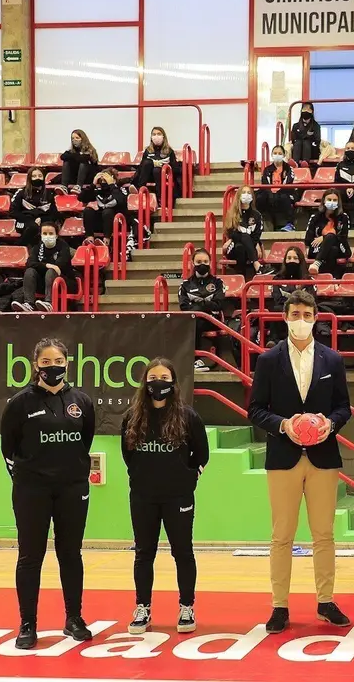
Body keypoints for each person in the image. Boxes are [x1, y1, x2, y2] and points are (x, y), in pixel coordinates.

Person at [247, 290, 353, 634]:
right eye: (295, 314)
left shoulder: (332, 360)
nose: (301, 320)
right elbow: (255, 410)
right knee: (282, 536)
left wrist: (329, 424)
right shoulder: (268, 360)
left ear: (316, 318)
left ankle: (326, 601)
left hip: (323, 458)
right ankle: (279, 606)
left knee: (324, 534)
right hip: (283, 457)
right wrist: (283, 425)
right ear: (285, 317)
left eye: (307, 315)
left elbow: (344, 407)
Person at [0, 338, 97, 650]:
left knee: (71, 554)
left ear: (67, 364)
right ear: (35, 365)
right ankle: (28, 624)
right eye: (45, 362)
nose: (52, 367)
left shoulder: (81, 401)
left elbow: (85, 441)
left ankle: (74, 619)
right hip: (32, 491)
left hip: (72, 489)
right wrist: (31, 479)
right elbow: (8, 449)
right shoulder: (19, 403)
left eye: (58, 362)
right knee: (30, 556)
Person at [121, 357, 209, 636]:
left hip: (178, 497)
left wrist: (188, 478)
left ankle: (186, 607)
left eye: (164, 378)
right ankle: (142, 608)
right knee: (143, 553)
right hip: (143, 497)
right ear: (144, 383)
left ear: (173, 383)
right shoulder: (132, 417)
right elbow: (127, 454)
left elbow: (202, 454)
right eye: (152, 378)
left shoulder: (188, 417)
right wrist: (141, 476)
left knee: (182, 552)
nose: (158, 383)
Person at [178, 249, 226, 372]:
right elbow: (184, 307)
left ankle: (197, 360)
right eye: (199, 262)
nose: (202, 264)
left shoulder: (218, 282)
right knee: (193, 321)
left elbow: (219, 304)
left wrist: (197, 305)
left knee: (197, 319)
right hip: (194, 319)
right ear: (193, 263)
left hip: (213, 320)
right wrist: (206, 305)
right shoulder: (185, 285)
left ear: (210, 263)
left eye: (205, 261)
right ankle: (193, 361)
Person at [13, 220, 73, 313]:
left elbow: (59, 266)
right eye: (44, 233)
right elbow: (29, 263)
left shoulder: (63, 246)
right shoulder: (37, 246)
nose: (47, 236)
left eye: (51, 233)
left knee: (51, 271)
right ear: (41, 235)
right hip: (43, 283)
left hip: (63, 283)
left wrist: (47, 267)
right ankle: (29, 304)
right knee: (30, 271)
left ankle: (49, 303)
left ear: (56, 235)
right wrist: (46, 265)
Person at [80, 169, 132, 250]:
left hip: (117, 222)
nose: (103, 182)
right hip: (102, 223)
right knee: (88, 210)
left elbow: (121, 201)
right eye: (102, 180)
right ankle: (90, 239)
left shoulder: (120, 189)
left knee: (107, 211)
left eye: (106, 179)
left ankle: (106, 241)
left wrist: (111, 185)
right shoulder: (99, 191)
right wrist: (93, 185)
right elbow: (82, 198)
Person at [305, 189, 352, 274]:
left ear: (338, 202)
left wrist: (324, 238)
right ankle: (332, 277)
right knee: (332, 250)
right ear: (324, 201)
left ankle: (317, 264)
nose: (332, 202)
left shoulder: (343, 217)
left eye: (335, 200)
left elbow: (343, 238)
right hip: (318, 249)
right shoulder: (315, 217)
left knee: (331, 237)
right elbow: (308, 240)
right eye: (329, 199)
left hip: (341, 248)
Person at [223, 184, 264, 277]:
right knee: (240, 246)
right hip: (233, 247)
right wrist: (245, 237)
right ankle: (256, 264)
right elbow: (232, 234)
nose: (246, 195)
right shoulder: (232, 214)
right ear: (239, 196)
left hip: (250, 247)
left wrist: (255, 243)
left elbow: (256, 236)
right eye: (244, 192)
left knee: (242, 247)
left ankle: (241, 277)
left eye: (249, 193)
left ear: (252, 196)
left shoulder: (257, 215)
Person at [136, 126, 180, 208]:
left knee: (157, 170)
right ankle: (140, 189)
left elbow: (175, 168)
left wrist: (163, 165)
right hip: (148, 175)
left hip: (163, 175)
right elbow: (142, 166)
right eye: (154, 134)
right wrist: (153, 163)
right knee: (147, 163)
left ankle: (160, 199)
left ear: (163, 136)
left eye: (159, 134)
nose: (156, 136)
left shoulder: (169, 151)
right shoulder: (148, 150)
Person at [11, 167, 54, 247]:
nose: (37, 178)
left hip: (42, 222)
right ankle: (18, 247)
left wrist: (42, 219)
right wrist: (31, 220)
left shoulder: (49, 194)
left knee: (45, 231)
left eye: (40, 176)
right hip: (23, 222)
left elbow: (54, 214)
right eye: (34, 176)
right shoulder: (21, 192)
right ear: (29, 178)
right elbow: (13, 212)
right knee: (33, 227)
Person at [258, 145, 297, 232]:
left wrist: (277, 193)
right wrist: (270, 193)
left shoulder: (289, 168)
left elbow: (288, 183)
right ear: (272, 155)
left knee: (285, 197)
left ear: (283, 155)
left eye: (279, 153)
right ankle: (258, 223)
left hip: (284, 192)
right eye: (275, 153)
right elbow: (265, 183)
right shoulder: (267, 169)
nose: (277, 155)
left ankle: (290, 224)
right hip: (270, 193)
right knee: (259, 197)